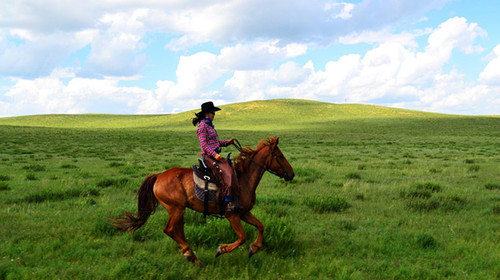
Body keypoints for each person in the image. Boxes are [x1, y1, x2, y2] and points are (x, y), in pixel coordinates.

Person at [192, 101, 239, 212]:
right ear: (207, 113)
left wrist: (227, 142)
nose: (214, 115)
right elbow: (204, 145)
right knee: (227, 170)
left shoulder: (209, 126)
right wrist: (215, 154)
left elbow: (215, 143)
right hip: (209, 157)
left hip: (214, 155)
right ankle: (228, 201)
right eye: (213, 113)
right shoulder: (202, 127)